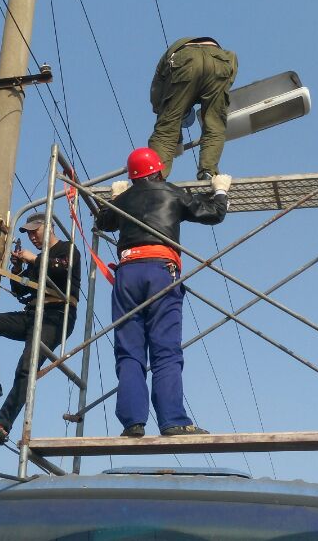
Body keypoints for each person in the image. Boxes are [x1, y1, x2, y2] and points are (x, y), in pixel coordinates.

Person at [95, 147, 232, 437]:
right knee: (165, 349)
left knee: (129, 350)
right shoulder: (172, 192)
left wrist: (115, 199)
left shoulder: (125, 199)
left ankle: (132, 422)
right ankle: (172, 421)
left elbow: (102, 222)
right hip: (160, 271)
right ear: (158, 170)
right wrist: (220, 191)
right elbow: (213, 214)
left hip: (127, 273)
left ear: (132, 177)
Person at [0, 212, 81, 445]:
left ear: (49, 227)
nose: (32, 238)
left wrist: (34, 260)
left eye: (35, 232)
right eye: (29, 234)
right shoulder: (37, 260)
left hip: (56, 316)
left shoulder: (67, 249)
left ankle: (3, 424)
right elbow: (20, 290)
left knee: (26, 367)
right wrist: (17, 268)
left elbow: (62, 268)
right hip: (32, 313)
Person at [148, 36, 238, 180]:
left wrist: (176, 141)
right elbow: (231, 62)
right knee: (214, 124)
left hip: (185, 59)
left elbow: (161, 108)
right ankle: (208, 172)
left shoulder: (163, 68)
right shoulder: (228, 56)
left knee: (166, 127)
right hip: (220, 59)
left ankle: (155, 177)